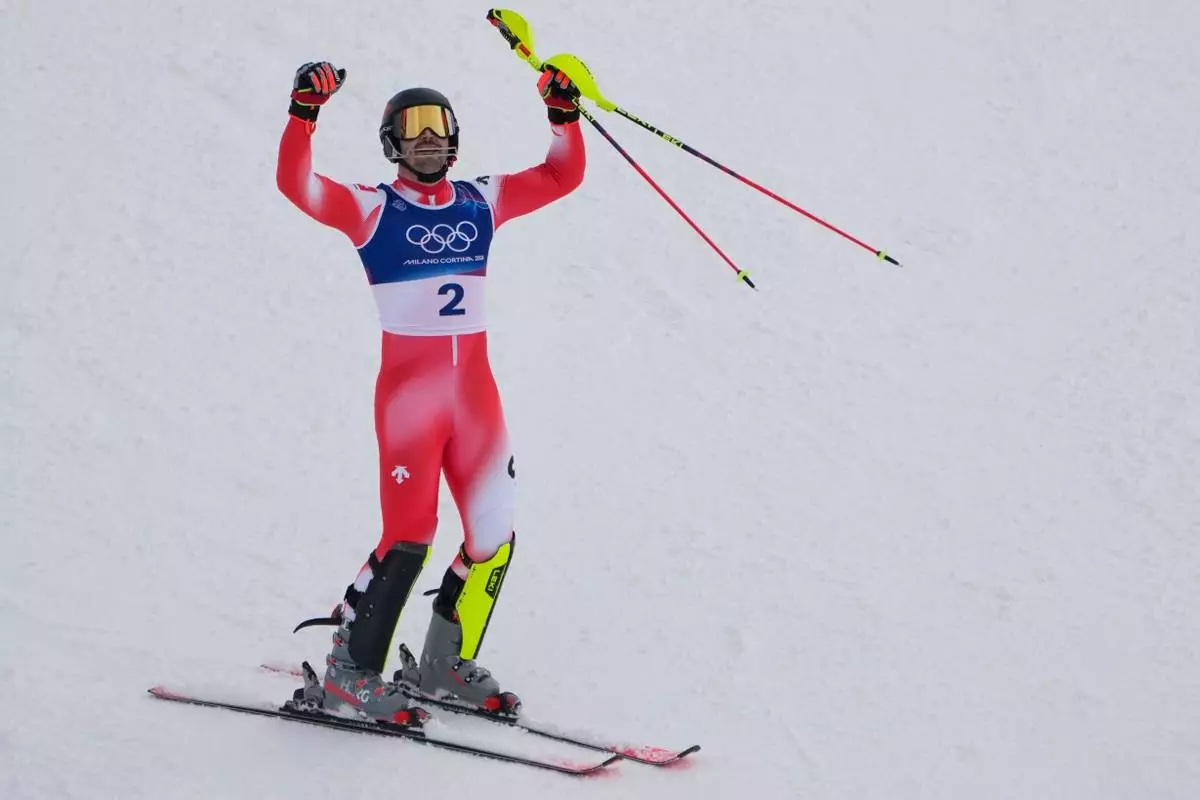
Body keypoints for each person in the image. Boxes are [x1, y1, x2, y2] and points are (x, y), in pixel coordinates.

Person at [276, 60, 586, 726]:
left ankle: (445, 665)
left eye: (439, 125)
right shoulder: (372, 208)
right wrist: (305, 112)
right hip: (412, 401)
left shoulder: (481, 200)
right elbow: (297, 185)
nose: (428, 138)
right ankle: (349, 676)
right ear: (392, 142)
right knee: (410, 532)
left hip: (475, 398)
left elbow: (563, 174)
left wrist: (563, 115)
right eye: (412, 128)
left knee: (492, 535)